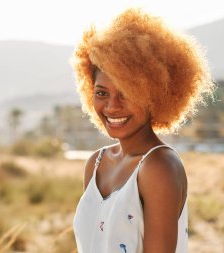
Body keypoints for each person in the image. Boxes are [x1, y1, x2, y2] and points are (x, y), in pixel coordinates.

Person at [71, 8, 215, 253]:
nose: (112, 106)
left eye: (127, 93)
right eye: (101, 93)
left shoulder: (159, 167)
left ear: (156, 95)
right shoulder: (97, 162)